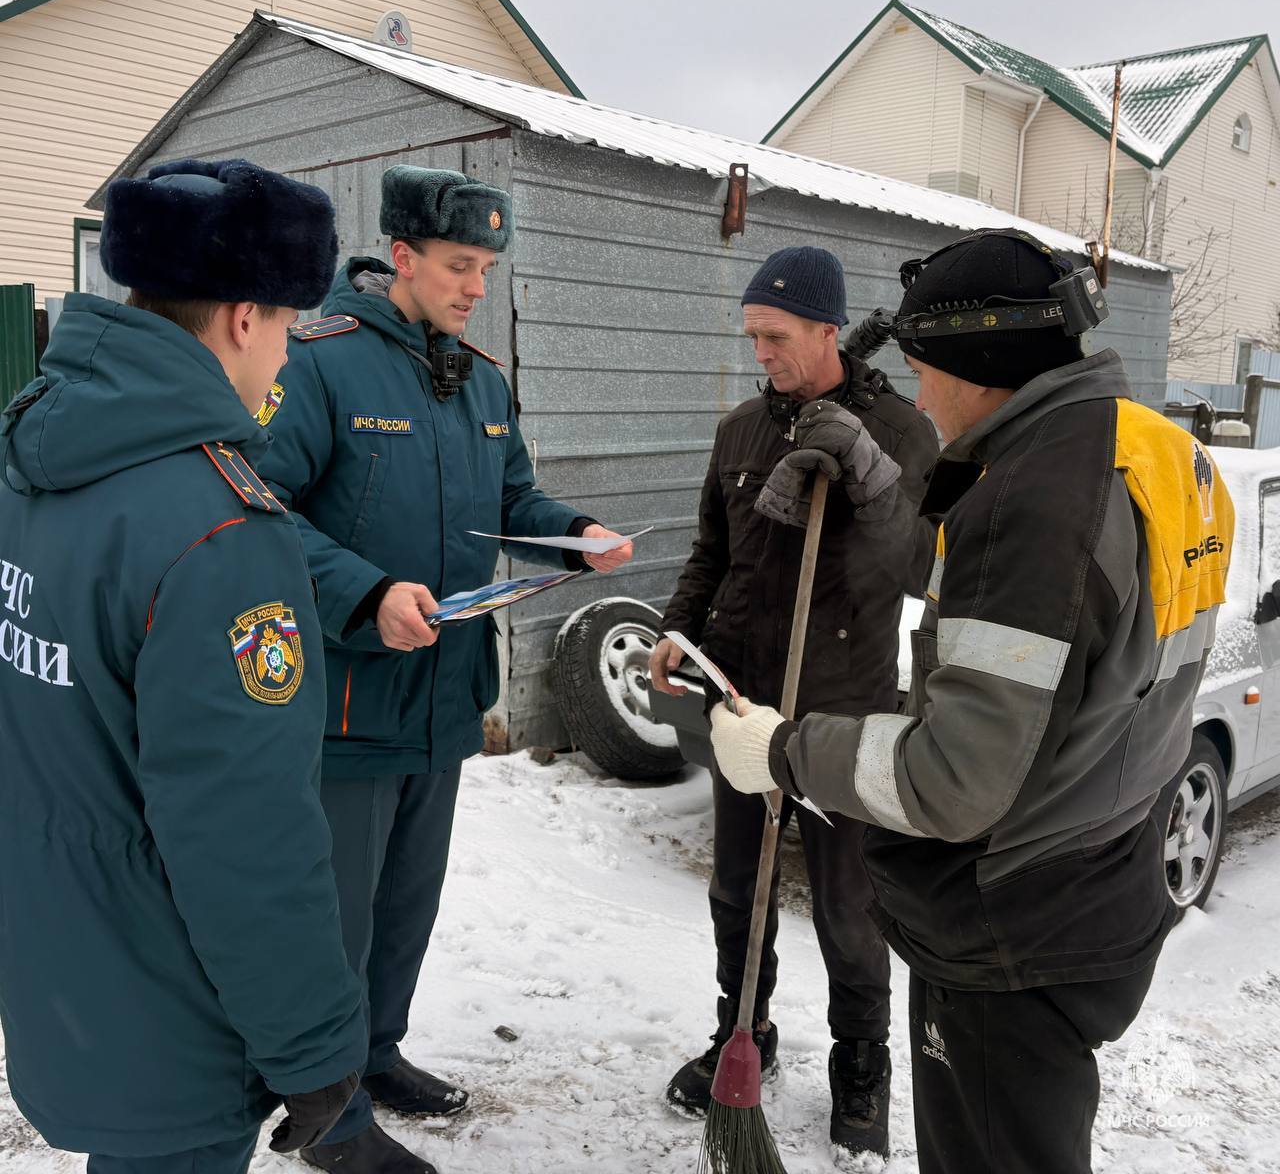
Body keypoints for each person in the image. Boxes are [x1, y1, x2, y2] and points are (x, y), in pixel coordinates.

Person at [708, 229, 1235, 1173]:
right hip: (1106, 871)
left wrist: (786, 751)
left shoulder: (1033, 500)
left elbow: (956, 779)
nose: (918, 394)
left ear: (981, 360)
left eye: (925, 370)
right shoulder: (1165, 456)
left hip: (1012, 921)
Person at [259, 164, 632, 1173]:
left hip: (442, 695)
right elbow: (258, 515)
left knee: (403, 903)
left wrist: (575, 534)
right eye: (461, 265)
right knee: (334, 913)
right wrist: (364, 592)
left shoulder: (479, 378)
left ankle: (375, 1055)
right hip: (349, 695)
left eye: (488, 268)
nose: (478, 285)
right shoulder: (318, 363)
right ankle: (324, 1114)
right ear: (405, 258)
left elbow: (514, 501)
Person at [0, 158, 367, 1174]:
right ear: (243, 316)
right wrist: (314, 1049)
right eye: (292, 324)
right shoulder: (216, 529)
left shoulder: (34, 458)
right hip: (172, 1003)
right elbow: (244, 833)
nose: (286, 360)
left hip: (64, 968)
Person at [650, 246, 937, 1157]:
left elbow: (917, 565)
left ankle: (862, 1063)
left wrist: (863, 473)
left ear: (827, 329)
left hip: (843, 713)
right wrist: (677, 626)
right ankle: (746, 1029)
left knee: (851, 909)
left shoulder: (901, 431)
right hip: (743, 698)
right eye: (753, 336)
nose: (761, 352)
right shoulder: (740, 430)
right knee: (740, 891)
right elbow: (712, 548)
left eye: (776, 336)